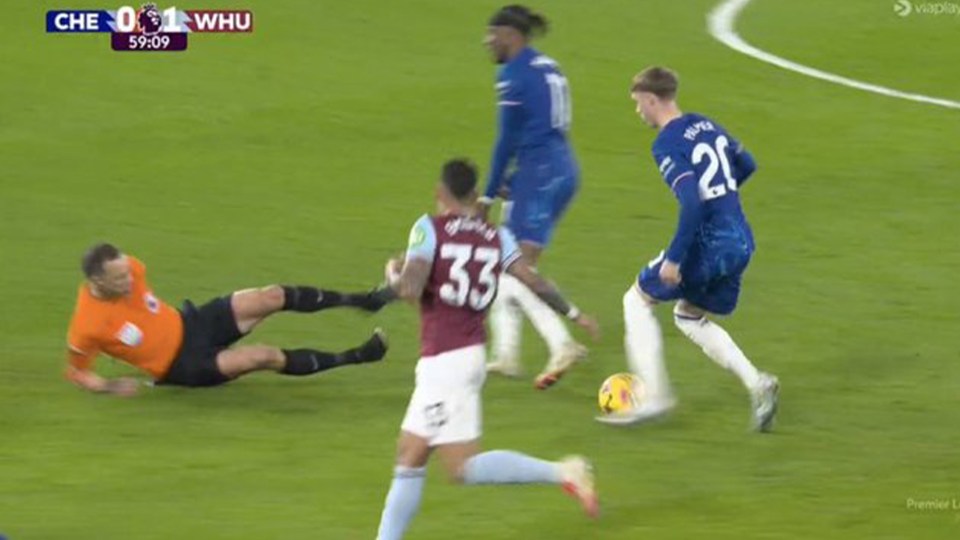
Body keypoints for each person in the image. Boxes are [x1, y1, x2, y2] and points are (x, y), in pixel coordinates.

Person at [374, 159, 600, 540]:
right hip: (463, 355)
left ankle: (564, 471)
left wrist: (393, 273)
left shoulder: (429, 228)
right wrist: (574, 314)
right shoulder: (497, 237)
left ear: (439, 193)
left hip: (446, 360)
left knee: (461, 466)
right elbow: (535, 282)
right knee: (409, 455)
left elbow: (409, 290)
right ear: (473, 194)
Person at [598, 67, 779, 431]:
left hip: (709, 242)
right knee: (689, 315)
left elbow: (692, 203)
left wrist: (675, 258)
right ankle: (757, 382)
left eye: (638, 104)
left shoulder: (666, 143)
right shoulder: (705, 124)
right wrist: (723, 198)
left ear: (652, 100)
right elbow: (747, 164)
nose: (638, 113)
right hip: (741, 239)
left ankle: (655, 398)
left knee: (636, 300)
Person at [65, 243, 388, 395]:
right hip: (182, 365)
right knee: (263, 356)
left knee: (271, 296)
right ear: (98, 281)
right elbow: (77, 373)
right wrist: (108, 386)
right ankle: (358, 356)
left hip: (191, 322)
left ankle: (364, 301)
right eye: (119, 279)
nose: (129, 280)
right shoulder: (87, 325)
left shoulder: (132, 268)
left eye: (126, 273)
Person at [480, 4, 586, 389]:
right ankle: (507, 354)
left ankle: (562, 343)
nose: (487, 41)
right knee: (506, 264)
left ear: (510, 34)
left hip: (539, 175)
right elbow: (542, 127)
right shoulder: (547, 65)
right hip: (559, 169)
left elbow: (506, 139)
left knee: (514, 268)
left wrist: (488, 195)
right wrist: (515, 177)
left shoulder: (512, 74)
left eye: (492, 34)